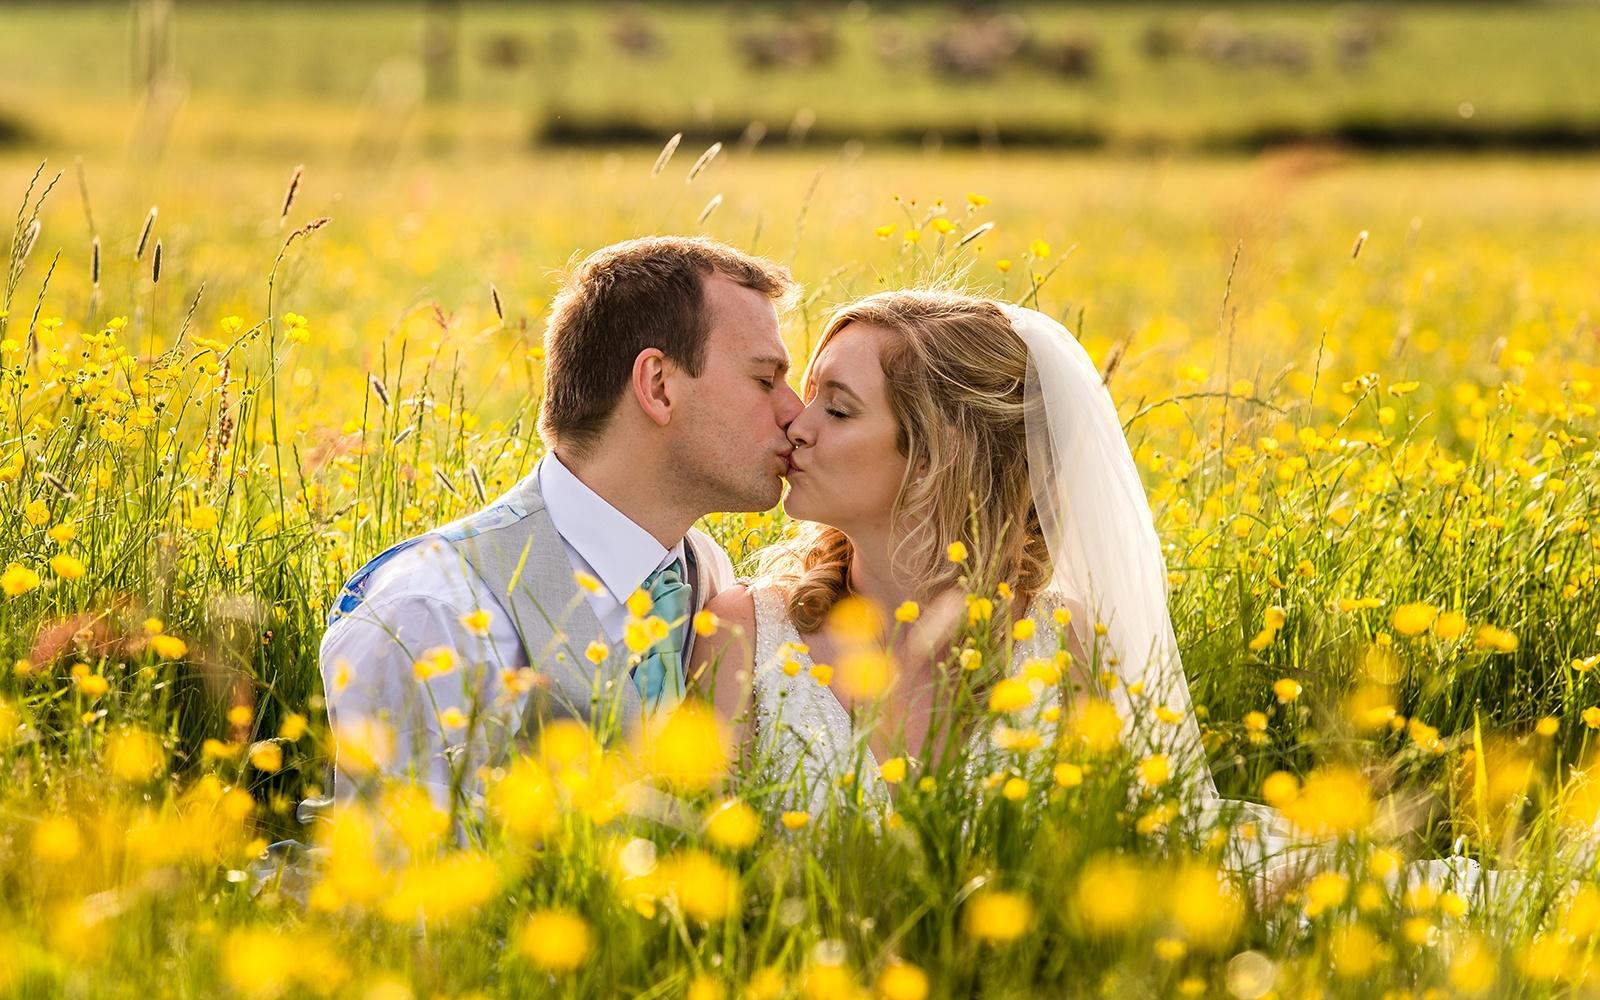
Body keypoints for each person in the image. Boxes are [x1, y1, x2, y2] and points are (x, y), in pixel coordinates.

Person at [316, 235, 804, 822]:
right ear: (657, 386)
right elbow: (396, 887)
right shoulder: (428, 615)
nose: (794, 411)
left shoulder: (702, 576)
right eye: (764, 379)